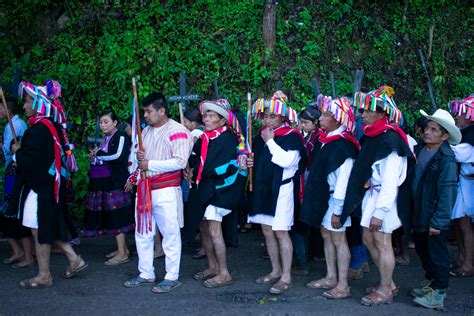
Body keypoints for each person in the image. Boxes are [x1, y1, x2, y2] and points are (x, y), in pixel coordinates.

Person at [7, 80, 87, 288]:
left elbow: (33, 161)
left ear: (38, 104)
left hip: (42, 187)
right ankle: (72, 258)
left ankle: (45, 275)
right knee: (43, 226)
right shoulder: (48, 127)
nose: (24, 106)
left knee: (39, 227)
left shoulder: (40, 129)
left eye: (27, 101)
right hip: (49, 186)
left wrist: (17, 153)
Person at [341, 86, 414, 305]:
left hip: (385, 199)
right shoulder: (374, 136)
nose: (361, 114)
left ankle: (384, 290)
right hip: (373, 195)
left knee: (382, 242)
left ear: (382, 113)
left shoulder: (390, 140)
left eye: (366, 110)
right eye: (361, 110)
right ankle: (387, 281)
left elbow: (391, 180)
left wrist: (381, 211)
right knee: (367, 238)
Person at [124, 92, 192, 294]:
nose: (145, 115)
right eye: (144, 111)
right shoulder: (145, 132)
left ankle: (172, 276)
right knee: (143, 233)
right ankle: (146, 273)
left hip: (167, 190)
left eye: (149, 111)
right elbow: (138, 161)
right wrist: (139, 162)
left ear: (162, 111)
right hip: (145, 189)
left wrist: (149, 163)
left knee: (170, 233)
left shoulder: (178, 130)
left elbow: (180, 161)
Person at [248, 91, 306, 294]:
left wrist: (271, 142)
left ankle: (286, 276)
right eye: (265, 115)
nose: (267, 119)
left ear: (283, 117)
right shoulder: (261, 135)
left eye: (272, 116)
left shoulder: (292, 137)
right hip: (264, 188)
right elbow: (259, 160)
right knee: (266, 232)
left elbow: (287, 161)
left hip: (282, 189)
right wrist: (250, 162)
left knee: (281, 232)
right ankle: (275, 270)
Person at [301, 96, 359, 299]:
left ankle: (342, 284)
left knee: (338, 238)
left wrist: (338, 210)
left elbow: (344, 181)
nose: (321, 117)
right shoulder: (327, 140)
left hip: (336, 200)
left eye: (326, 114)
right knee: (328, 235)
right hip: (327, 197)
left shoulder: (344, 145)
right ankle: (331, 276)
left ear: (338, 119)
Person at [186, 99, 247, 288]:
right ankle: (212, 267)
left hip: (220, 190)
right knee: (204, 228)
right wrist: (189, 170)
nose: (206, 119)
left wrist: (202, 172)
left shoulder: (229, 139)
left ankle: (224, 272)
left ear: (222, 121)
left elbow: (229, 166)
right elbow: (194, 158)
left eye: (212, 116)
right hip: (203, 188)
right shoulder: (204, 138)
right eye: (205, 115)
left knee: (214, 230)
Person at [410, 108, 461, 309]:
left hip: (433, 216)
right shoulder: (423, 149)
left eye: (434, 130)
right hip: (420, 211)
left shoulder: (446, 160)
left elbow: (447, 193)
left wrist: (439, 222)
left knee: (437, 255)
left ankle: (438, 294)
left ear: (445, 135)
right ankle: (431, 285)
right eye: (427, 128)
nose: (427, 132)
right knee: (423, 251)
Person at [83, 110, 134, 265]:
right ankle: (122, 249)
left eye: (106, 122)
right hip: (104, 182)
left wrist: (99, 154)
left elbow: (118, 156)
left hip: (116, 182)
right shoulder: (106, 138)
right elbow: (104, 154)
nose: (103, 125)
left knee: (117, 216)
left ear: (115, 123)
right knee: (112, 216)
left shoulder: (121, 137)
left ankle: (122, 253)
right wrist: (97, 154)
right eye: (101, 122)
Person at [0, 98, 34, 269]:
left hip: (17, 172)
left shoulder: (17, 125)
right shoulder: (11, 125)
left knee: (14, 215)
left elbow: (17, 149)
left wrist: (13, 150)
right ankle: (21, 252)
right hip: (12, 172)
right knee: (9, 214)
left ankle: (26, 253)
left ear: (8, 110)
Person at [292, 107, 321, 276]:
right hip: (304, 180)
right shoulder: (309, 136)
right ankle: (305, 257)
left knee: (301, 224)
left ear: (315, 123)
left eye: (306, 123)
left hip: (308, 182)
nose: (302, 126)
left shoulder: (317, 138)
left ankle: (303, 261)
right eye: (301, 122)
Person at [448, 95, 474, 278]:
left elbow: (459, 155)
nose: (457, 116)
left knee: (465, 224)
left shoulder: (471, 135)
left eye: (461, 114)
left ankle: (468, 263)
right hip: (463, 182)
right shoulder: (466, 133)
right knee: (458, 222)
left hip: (468, 184)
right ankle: (462, 257)